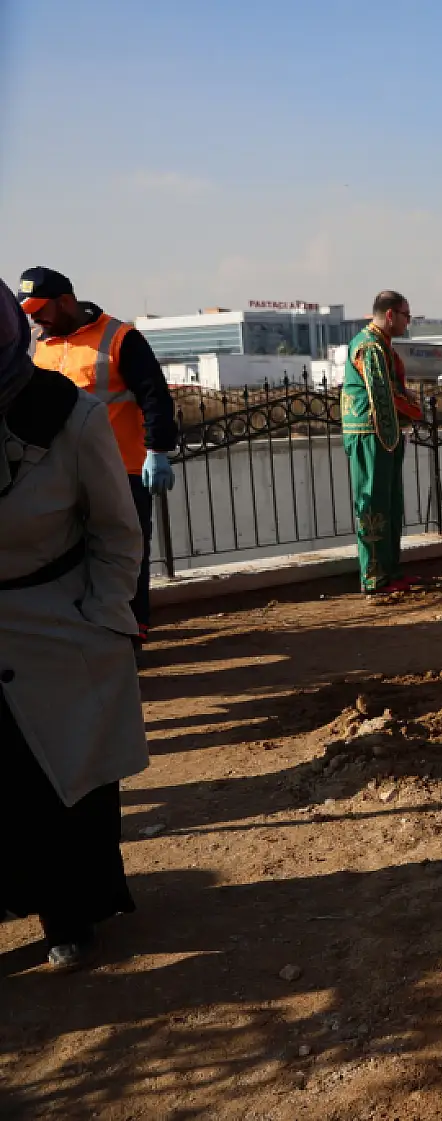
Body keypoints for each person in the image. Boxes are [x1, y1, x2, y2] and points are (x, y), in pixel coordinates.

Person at [0, 286, 148, 971]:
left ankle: (71, 911)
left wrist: (103, 616)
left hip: (55, 623)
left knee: (59, 783)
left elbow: (118, 535)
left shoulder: (68, 414)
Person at [18, 267, 178, 643]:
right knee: (70, 556)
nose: (36, 318)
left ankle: (130, 629)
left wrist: (157, 450)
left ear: (66, 302)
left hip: (121, 469)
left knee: (123, 555)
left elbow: (154, 396)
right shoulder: (39, 346)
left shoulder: (121, 338)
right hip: (60, 473)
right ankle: (85, 629)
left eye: (41, 309)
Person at [342, 292, 423, 595]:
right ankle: (375, 578)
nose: (408, 321)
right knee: (373, 505)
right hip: (370, 434)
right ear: (391, 315)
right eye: (406, 315)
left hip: (384, 435)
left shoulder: (380, 345)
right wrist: (416, 410)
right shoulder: (369, 346)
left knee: (390, 505)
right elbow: (381, 392)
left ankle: (390, 572)